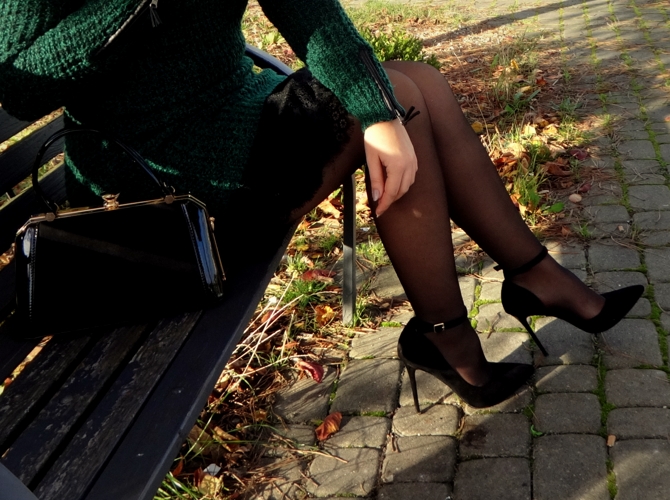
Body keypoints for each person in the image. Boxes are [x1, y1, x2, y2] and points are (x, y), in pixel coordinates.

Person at [0, 0, 643, 409]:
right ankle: (451, 334)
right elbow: (19, 84)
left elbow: (316, 18)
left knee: (411, 86)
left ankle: (528, 277)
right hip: (159, 196)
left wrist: (375, 110)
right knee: (398, 97)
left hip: (240, 124)